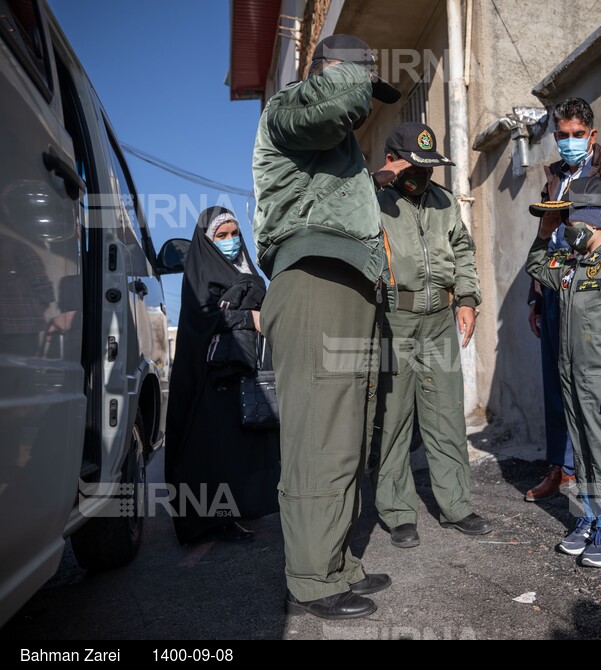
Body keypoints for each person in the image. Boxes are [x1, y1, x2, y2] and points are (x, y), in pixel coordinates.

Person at [253, 34, 401, 620]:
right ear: (333, 73)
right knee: (318, 435)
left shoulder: (333, 139)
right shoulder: (289, 106)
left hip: (345, 284)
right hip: (313, 279)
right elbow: (332, 106)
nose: (366, 106)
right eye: (362, 85)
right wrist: (348, 77)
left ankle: (336, 562)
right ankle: (312, 579)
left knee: (345, 434)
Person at [369, 122, 492, 549]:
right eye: (414, 168)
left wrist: (468, 299)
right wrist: (373, 182)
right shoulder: (372, 201)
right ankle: (398, 512)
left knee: (445, 417)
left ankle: (456, 506)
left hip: (440, 322)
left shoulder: (441, 202)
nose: (422, 177)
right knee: (393, 419)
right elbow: (335, 210)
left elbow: (462, 249)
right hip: (394, 323)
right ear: (392, 162)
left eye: (429, 168)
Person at [525, 98, 601, 502]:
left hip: (597, 294)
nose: (570, 142)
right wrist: (537, 299)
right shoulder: (554, 177)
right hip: (558, 289)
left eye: (578, 135)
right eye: (562, 136)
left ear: (592, 135)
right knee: (559, 383)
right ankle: (564, 469)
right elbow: (546, 234)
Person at [526, 177, 601, 568]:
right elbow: (537, 265)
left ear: (591, 223)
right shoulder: (571, 266)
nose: (566, 230)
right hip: (570, 375)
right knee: (582, 448)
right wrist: (544, 233)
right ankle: (591, 518)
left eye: (570, 222)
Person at [164, 207, 280, 545]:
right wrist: (249, 319)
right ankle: (209, 521)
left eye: (233, 234)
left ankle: (241, 509)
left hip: (248, 369)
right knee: (212, 449)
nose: (230, 241)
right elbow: (201, 319)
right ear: (208, 240)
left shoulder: (246, 266)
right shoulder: (201, 271)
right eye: (221, 235)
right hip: (213, 377)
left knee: (243, 447)